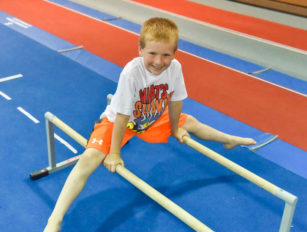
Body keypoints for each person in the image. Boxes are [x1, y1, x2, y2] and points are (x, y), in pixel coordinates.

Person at [44, 17, 256, 232]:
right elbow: (122, 116)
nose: (158, 61)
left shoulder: (175, 68)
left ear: (175, 54)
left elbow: (175, 101)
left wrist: (175, 129)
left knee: (190, 122)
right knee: (89, 158)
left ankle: (229, 140)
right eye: (152, 53)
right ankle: (55, 219)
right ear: (140, 50)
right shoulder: (131, 72)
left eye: (166, 55)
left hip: (149, 117)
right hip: (119, 121)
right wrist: (115, 153)